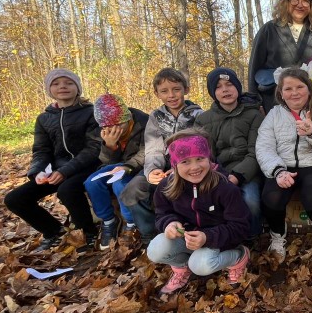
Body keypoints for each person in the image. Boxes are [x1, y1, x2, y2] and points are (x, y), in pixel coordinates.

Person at [5, 69, 101, 252]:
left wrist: (65, 171)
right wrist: (37, 172)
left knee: (67, 189)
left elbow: (94, 149)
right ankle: (54, 232)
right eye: (56, 84)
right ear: (49, 90)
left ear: (77, 88)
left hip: (88, 166)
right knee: (15, 199)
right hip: (57, 170)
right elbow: (41, 150)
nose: (62, 86)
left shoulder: (91, 113)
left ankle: (87, 234)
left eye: (68, 83)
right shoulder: (44, 118)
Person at [147, 131, 251, 293]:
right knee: (155, 250)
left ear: (208, 159)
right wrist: (169, 223)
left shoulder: (225, 188)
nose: (194, 167)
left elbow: (241, 227)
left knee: (201, 266)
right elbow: (162, 213)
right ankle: (182, 267)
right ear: (175, 165)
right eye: (185, 161)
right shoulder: (165, 187)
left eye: (200, 159)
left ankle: (238, 256)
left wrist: (207, 237)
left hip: (218, 240)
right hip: (187, 238)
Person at [256, 68, 312, 267]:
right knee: (271, 199)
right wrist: (278, 171)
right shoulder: (274, 115)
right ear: (280, 93)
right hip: (282, 165)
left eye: (300, 87)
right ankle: (277, 236)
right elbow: (264, 146)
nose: (295, 93)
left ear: (309, 89)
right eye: (288, 88)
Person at [120, 68, 202, 245]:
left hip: (189, 167)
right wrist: (152, 171)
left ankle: (185, 232)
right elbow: (153, 149)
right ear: (157, 94)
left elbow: (199, 149)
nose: (171, 95)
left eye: (176, 89)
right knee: (133, 189)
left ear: (186, 90)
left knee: (175, 189)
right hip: (161, 166)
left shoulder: (198, 115)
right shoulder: (155, 117)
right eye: (164, 91)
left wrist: (179, 170)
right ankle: (150, 234)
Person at [195, 68, 264, 242]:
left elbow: (256, 151)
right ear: (213, 93)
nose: (225, 90)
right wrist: (213, 174)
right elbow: (202, 153)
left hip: (247, 172)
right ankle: (220, 236)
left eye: (229, 84)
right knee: (208, 201)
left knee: (250, 201)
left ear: (238, 87)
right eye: (218, 87)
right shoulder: (203, 120)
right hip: (215, 171)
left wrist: (237, 176)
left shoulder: (254, 114)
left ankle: (252, 237)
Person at [248, 0, 312, 113]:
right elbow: (254, 68)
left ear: (311, 5)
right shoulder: (269, 29)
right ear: (286, 1)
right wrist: (255, 103)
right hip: (272, 104)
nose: (300, 5)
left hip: (305, 107)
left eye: (305, 1)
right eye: (294, 0)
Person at [84, 94, 149, 250]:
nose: (114, 129)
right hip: (118, 165)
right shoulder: (102, 131)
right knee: (91, 182)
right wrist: (110, 147)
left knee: (120, 184)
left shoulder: (143, 122)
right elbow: (106, 162)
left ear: (127, 118)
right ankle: (109, 221)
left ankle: (131, 223)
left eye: (119, 124)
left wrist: (128, 167)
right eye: (108, 126)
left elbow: (146, 152)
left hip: (138, 165)